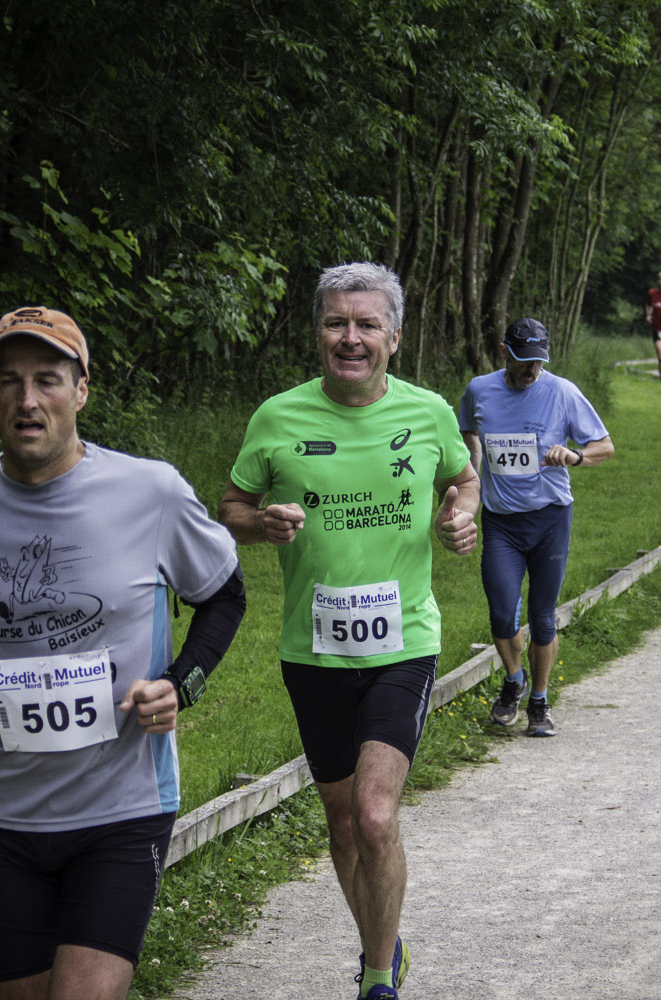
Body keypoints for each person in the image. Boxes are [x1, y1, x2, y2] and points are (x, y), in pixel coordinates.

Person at [0, 307, 246, 1000]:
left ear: (81, 390)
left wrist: (181, 685)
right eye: (9, 381)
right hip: (6, 814)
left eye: (48, 380)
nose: (28, 400)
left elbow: (224, 595)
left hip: (124, 803)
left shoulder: (151, 492)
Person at [217, 262, 479, 1000]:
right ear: (318, 333)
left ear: (394, 337)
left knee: (373, 813)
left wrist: (461, 512)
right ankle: (381, 945)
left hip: (404, 644)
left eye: (367, 325)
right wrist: (262, 523)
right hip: (314, 652)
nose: (351, 338)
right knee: (340, 825)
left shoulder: (428, 412)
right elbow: (230, 508)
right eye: (337, 322)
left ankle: (377, 978)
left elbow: (463, 477)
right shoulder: (278, 418)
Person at [459, 318, 614, 739]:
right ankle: (515, 679)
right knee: (500, 612)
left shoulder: (563, 392)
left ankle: (540, 702)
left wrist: (575, 456)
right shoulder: (479, 390)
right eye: (524, 360)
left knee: (543, 618)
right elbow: (468, 434)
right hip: (501, 523)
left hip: (550, 519)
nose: (532, 369)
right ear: (503, 352)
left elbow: (604, 446)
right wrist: (471, 479)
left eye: (539, 361)